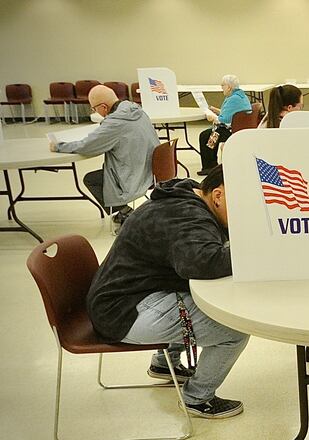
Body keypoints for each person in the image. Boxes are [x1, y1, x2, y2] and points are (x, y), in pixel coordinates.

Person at [86, 165, 250, 419]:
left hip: (120, 298)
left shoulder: (188, 198)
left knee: (198, 300)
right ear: (218, 196)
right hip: (123, 313)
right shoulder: (187, 216)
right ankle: (197, 398)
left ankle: (165, 364)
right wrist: (256, 249)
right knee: (234, 330)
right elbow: (202, 263)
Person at [50, 84, 157, 224]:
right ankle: (124, 212)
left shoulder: (115, 123)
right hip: (151, 170)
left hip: (134, 175)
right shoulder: (136, 110)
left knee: (91, 179)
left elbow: (87, 146)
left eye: (94, 109)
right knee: (104, 172)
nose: (94, 111)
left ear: (103, 107)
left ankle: (126, 213)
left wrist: (59, 146)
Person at [198, 74, 252, 175]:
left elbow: (224, 120)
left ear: (229, 87)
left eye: (223, 85)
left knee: (206, 135)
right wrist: (215, 110)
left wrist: (212, 117)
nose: (221, 87)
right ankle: (211, 165)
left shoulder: (233, 99)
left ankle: (209, 166)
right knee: (211, 134)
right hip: (238, 127)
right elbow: (230, 113)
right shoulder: (239, 96)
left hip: (232, 130)